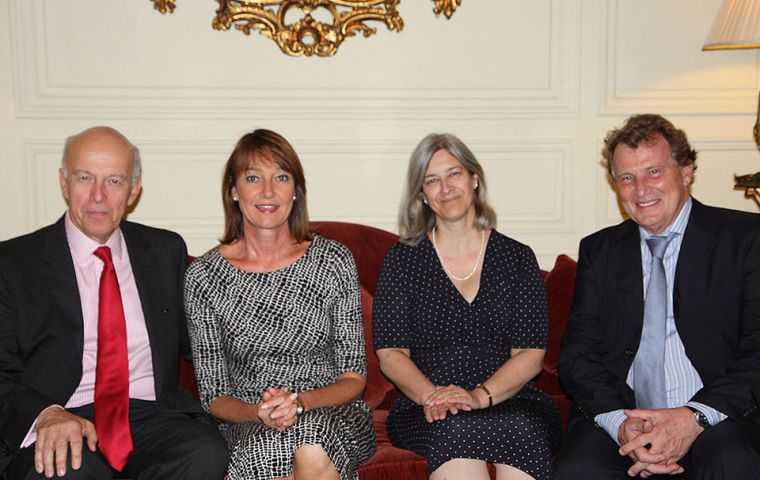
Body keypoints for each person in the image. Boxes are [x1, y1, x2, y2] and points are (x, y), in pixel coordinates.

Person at [0, 126, 229, 480]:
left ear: (134, 189)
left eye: (114, 181)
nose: (97, 196)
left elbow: (204, 339)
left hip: (150, 417)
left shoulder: (165, 251)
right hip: (63, 415)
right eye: (85, 177)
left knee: (203, 451)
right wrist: (45, 413)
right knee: (67, 469)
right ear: (64, 181)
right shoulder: (13, 263)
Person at [554, 114, 760, 479]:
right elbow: (577, 357)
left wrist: (691, 418)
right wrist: (621, 424)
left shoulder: (744, 240)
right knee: (578, 470)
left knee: (733, 463)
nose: (641, 189)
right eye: (627, 178)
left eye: (653, 172)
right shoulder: (600, 251)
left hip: (715, 415)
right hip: (625, 417)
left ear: (686, 171)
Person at [184, 128, 376, 480]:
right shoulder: (204, 277)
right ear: (233, 190)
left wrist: (300, 402)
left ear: (295, 192)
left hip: (334, 411)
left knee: (311, 441)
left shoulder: (333, 260)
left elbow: (353, 377)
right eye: (253, 177)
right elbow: (213, 396)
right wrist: (261, 412)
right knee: (275, 452)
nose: (268, 191)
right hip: (250, 419)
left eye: (281, 177)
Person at [372, 133, 563, 480]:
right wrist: (434, 398)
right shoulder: (402, 261)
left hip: (509, 400)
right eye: (432, 180)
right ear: (422, 196)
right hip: (427, 406)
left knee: (522, 430)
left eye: (454, 173)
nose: (445, 187)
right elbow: (391, 353)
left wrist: (478, 396)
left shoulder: (517, 258)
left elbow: (530, 354)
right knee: (453, 431)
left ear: (475, 179)